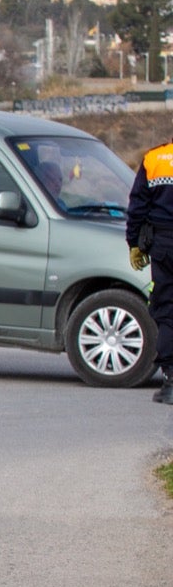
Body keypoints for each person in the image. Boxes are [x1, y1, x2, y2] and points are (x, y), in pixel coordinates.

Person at [126, 133, 173, 403]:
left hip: (164, 246)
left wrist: (134, 243)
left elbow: (138, 206)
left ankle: (171, 380)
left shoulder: (155, 159)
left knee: (166, 309)